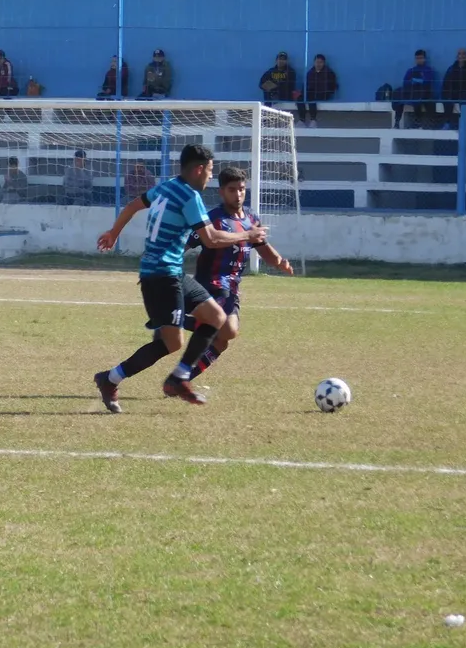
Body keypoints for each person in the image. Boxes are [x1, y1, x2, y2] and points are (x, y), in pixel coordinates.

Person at [93, 144, 268, 411]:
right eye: (209, 171)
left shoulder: (166, 187)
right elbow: (210, 240)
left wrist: (114, 232)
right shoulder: (190, 197)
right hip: (161, 276)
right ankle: (111, 378)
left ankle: (180, 376)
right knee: (173, 343)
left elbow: (132, 205)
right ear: (198, 169)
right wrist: (247, 235)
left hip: (171, 272)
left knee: (216, 318)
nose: (210, 177)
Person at [181, 167, 293, 380]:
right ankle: (177, 321)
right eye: (232, 190)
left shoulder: (251, 218)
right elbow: (186, 244)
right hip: (210, 284)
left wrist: (279, 262)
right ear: (222, 192)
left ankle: (183, 380)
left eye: (241, 189)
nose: (238, 194)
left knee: (222, 341)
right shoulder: (212, 219)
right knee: (229, 330)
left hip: (232, 287)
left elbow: (263, 248)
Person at [392, 49, 436, 129]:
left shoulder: (428, 70)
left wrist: (417, 81)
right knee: (398, 94)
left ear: (425, 58)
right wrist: (412, 82)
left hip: (423, 92)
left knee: (418, 97)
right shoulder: (411, 70)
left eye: (421, 58)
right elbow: (405, 82)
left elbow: (427, 82)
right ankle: (397, 122)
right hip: (411, 91)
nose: (419, 60)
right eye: (417, 58)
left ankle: (418, 122)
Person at [441, 48, 466, 129]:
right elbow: (446, 83)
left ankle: (465, 123)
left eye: (464, 54)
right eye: (460, 54)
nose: (461, 56)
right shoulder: (452, 68)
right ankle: (448, 122)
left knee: (464, 101)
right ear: (457, 56)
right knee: (447, 100)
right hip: (454, 92)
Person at [298, 54, 337, 128]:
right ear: (314, 62)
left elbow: (331, 86)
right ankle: (302, 120)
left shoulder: (329, 73)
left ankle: (313, 120)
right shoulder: (310, 72)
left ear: (324, 63)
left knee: (310, 96)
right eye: (317, 62)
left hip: (324, 94)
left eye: (320, 62)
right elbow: (305, 85)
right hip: (311, 93)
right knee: (300, 98)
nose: (318, 64)